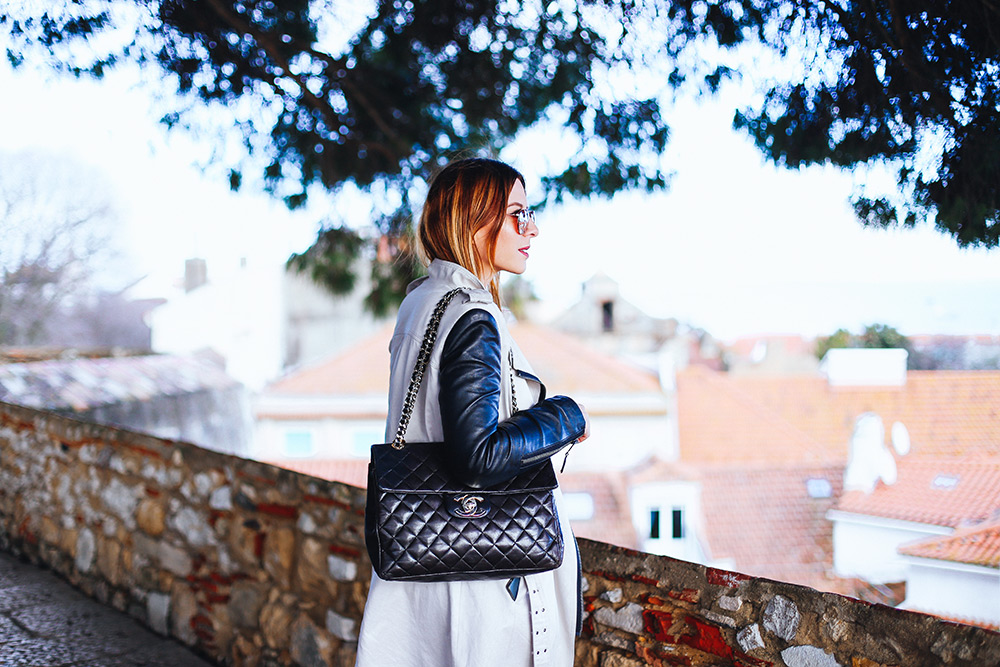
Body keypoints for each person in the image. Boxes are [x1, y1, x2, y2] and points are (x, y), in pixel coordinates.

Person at [355, 157, 591, 667]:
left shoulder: (423, 298)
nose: (531, 227)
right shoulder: (472, 314)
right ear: (473, 220)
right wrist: (565, 417)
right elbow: (477, 456)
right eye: (516, 213)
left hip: (427, 553)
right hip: (481, 577)